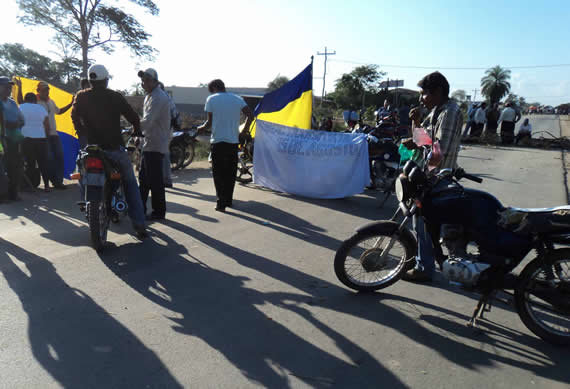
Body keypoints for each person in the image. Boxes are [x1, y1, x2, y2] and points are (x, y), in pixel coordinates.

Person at [71, 64, 148, 238]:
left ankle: (86, 202)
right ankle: (139, 224)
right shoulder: (115, 97)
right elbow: (134, 117)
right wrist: (136, 130)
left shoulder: (81, 96)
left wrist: (81, 131)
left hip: (91, 149)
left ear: (91, 81)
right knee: (130, 183)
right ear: (105, 80)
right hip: (113, 149)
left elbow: (74, 116)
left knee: (81, 173)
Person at [402, 71, 463, 282]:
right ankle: (424, 262)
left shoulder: (450, 112)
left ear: (438, 92)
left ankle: (424, 268)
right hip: (429, 176)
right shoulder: (437, 110)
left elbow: (439, 149)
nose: (421, 98)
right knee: (420, 223)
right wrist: (416, 125)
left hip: (437, 178)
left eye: (424, 93)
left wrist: (424, 176)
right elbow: (424, 138)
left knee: (424, 224)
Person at [197, 79, 254, 212]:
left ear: (214, 88)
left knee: (218, 173)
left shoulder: (211, 99)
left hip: (217, 141)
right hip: (233, 142)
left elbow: (209, 122)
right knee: (230, 172)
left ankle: (220, 202)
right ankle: (228, 200)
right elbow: (250, 115)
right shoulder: (237, 99)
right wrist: (244, 131)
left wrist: (201, 128)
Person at [15, 78, 72, 189]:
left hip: (53, 134)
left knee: (59, 157)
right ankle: (51, 183)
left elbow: (59, 111)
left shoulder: (51, 101)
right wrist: (20, 87)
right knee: (46, 160)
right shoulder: (35, 102)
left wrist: (70, 103)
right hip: (43, 136)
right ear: (38, 91)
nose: (47, 92)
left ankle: (58, 182)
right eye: (44, 90)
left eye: (47, 90)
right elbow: (21, 102)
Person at [137, 68, 171, 220]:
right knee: (144, 179)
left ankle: (159, 211)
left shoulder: (158, 97)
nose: (144, 83)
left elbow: (148, 120)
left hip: (156, 143)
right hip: (149, 142)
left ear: (155, 81)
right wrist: (139, 134)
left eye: (147, 80)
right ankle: (140, 208)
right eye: (143, 80)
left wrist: (134, 126)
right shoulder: (149, 96)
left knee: (154, 180)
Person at [19, 92, 51, 192]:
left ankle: (31, 186)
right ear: (35, 100)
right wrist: (46, 137)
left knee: (30, 163)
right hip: (41, 139)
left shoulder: (21, 107)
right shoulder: (41, 108)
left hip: (27, 139)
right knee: (43, 163)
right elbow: (47, 125)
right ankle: (46, 186)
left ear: (25, 99)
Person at [1, 76, 25, 201]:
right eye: (6, 87)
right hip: (2, 140)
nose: (9, 89)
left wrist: (17, 123)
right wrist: (7, 124)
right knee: (2, 168)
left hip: (14, 140)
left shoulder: (12, 103)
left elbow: (22, 120)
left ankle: (13, 193)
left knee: (14, 167)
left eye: (10, 87)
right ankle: (3, 195)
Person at [158, 81, 180, 188]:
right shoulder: (167, 98)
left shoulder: (160, 98)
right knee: (163, 154)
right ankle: (164, 179)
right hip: (167, 130)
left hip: (163, 131)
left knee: (163, 155)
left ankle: (166, 179)